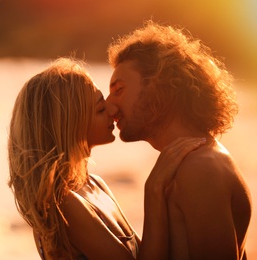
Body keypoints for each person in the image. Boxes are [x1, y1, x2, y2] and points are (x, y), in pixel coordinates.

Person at [8, 57, 206, 259]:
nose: (112, 111)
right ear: (72, 125)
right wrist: (154, 188)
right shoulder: (64, 204)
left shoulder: (96, 185)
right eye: (100, 109)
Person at [106, 20, 252, 259]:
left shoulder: (200, 169)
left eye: (119, 90)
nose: (110, 106)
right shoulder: (193, 162)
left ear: (159, 84)